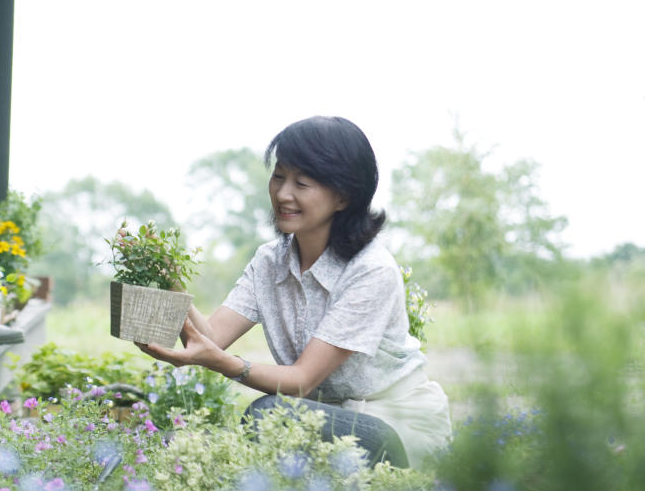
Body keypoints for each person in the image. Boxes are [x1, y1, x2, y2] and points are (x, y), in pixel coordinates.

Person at [138, 116, 451, 469]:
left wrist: (221, 363)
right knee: (257, 428)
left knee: (270, 413)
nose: (283, 194)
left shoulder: (370, 269)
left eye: (302, 183)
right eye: (278, 176)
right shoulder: (269, 261)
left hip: (392, 426)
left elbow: (302, 380)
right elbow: (211, 338)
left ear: (344, 196)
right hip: (317, 420)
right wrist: (169, 280)